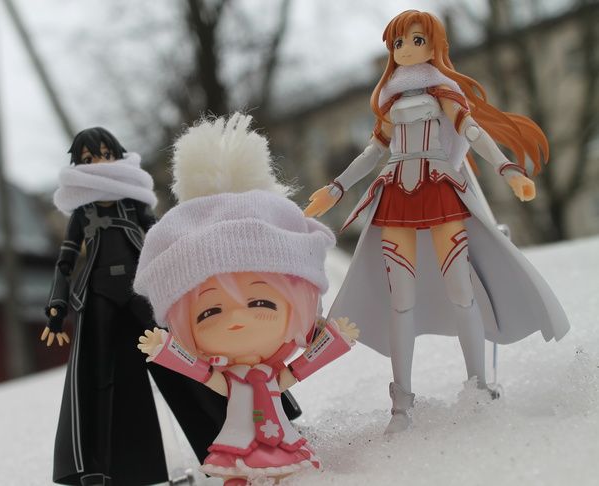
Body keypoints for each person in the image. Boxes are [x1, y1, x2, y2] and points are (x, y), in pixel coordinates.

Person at [305, 10, 569, 434]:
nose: (406, 50)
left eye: (416, 40)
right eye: (398, 43)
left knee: (461, 291)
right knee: (400, 300)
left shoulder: (443, 91)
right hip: (395, 195)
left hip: (439, 188)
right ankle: (401, 405)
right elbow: (372, 153)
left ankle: (478, 387)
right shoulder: (390, 101)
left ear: (434, 46)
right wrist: (335, 189)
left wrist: (508, 170)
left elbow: (473, 131)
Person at [135, 113, 358, 485]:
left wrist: (334, 341)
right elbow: (200, 373)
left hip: (281, 440)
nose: (236, 319)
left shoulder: (269, 376)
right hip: (237, 443)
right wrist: (165, 351)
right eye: (209, 311)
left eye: (261, 303)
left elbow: (301, 369)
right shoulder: (232, 379)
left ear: (300, 304)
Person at [42, 127, 227, 486]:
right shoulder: (81, 211)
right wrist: (57, 306)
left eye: (104, 154)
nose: (98, 162)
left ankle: (226, 439)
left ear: (118, 155)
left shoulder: (134, 201)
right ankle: (98, 467)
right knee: (99, 376)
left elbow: (162, 239)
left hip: (140, 290)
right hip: (98, 295)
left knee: (181, 360)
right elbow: (65, 262)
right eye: (88, 158)